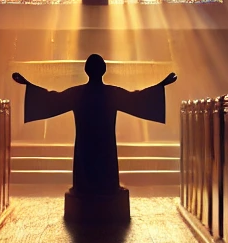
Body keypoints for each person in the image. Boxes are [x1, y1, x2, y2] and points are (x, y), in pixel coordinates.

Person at [12, 56, 177, 196]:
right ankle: (107, 187)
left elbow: (52, 99)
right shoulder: (111, 93)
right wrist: (160, 86)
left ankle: (84, 188)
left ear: (86, 71)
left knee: (85, 173)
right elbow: (138, 99)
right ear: (103, 70)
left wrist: (29, 85)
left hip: (85, 145)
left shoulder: (79, 93)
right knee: (106, 173)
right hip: (106, 145)